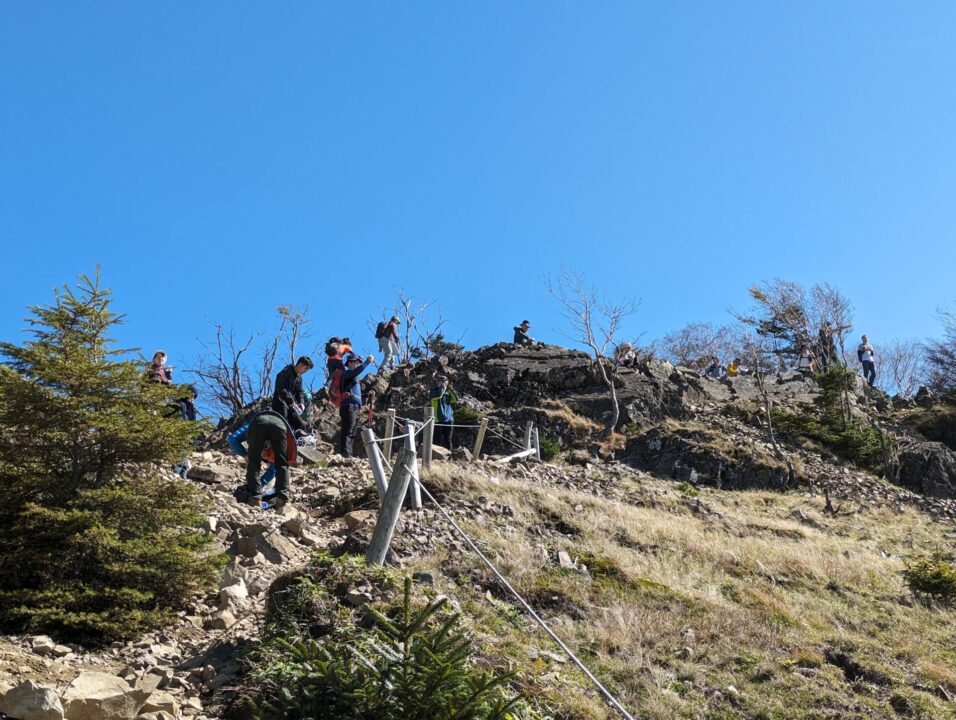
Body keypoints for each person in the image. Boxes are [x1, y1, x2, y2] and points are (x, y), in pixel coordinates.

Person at [242, 409, 298, 510]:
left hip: (258, 422)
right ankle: (282, 500)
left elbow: (244, 441)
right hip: (279, 424)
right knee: (282, 464)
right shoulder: (271, 450)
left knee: (253, 462)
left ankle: (255, 498)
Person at [338, 353, 374, 457]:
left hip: (354, 406)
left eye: (358, 362)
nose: (357, 364)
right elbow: (358, 370)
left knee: (352, 430)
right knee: (348, 429)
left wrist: (367, 394)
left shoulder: (353, 377)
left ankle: (348, 452)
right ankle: (345, 453)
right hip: (348, 406)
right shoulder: (347, 374)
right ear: (349, 363)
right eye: (355, 362)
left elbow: (356, 395)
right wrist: (367, 361)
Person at [229, 419, 276, 489]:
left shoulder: (279, 449)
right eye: (264, 456)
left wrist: (259, 484)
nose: (263, 457)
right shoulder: (253, 430)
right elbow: (232, 440)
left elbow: (272, 471)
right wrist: (245, 455)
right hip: (260, 425)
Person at [272, 356, 313, 433]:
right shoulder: (287, 371)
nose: (305, 371)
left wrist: (301, 402)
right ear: (300, 365)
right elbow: (280, 386)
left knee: (300, 423)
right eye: (305, 369)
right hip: (280, 402)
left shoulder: (299, 378)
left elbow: (300, 391)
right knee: (283, 420)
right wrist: (290, 400)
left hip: (292, 405)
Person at [165, 385, 198, 478]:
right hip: (176, 430)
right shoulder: (177, 404)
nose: (193, 399)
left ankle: (183, 472)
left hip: (186, 432)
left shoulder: (191, 408)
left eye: (194, 397)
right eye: (192, 396)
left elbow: (193, 423)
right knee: (179, 449)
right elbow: (165, 414)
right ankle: (177, 470)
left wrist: (194, 437)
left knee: (184, 451)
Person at [429, 375, 459, 450]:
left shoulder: (448, 392)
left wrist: (450, 389)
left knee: (448, 439)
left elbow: (455, 399)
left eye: (444, 382)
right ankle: (434, 456)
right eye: (440, 382)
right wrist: (442, 388)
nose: (442, 383)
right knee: (436, 440)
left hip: (449, 419)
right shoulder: (433, 391)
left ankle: (449, 457)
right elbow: (439, 396)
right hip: (437, 419)